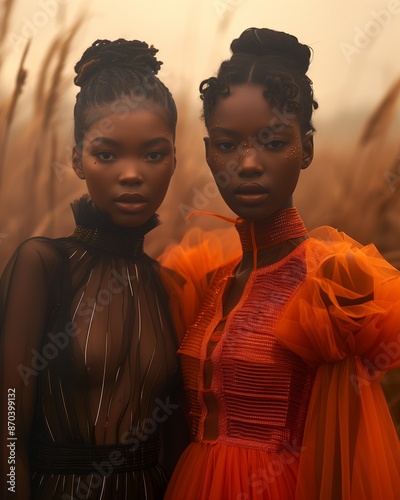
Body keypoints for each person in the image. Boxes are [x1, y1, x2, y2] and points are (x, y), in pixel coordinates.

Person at [162, 27, 400, 499]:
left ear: (306, 148)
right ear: (209, 153)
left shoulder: (332, 285)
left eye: (273, 143)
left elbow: (350, 458)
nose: (247, 164)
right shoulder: (206, 281)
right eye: (228, 144)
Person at [0, 38, 186, 499]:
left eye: (153, 154)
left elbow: (179, 440)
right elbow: (6, 431)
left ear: (175, 161)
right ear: (76, 160)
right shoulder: (43, 264)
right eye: (106, 154)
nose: (131, 173)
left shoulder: (170, 285)